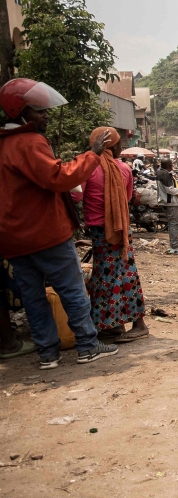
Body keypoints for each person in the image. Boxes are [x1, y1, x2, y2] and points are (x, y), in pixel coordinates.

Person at [0, 78, 119, 368]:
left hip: (13, 238)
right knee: (72, 289)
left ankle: (48, 354)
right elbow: (59, 178)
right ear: (21, 111)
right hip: (45, 232)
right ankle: (88, 346)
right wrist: (91, 154)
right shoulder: (29, 142)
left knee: (33, 297)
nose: (46, 115)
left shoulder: (4, 144)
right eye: (39, 110)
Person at [73, 127, 148, 342]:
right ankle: (121, 324)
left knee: (105, 278)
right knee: (124, 275)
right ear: (112, 145)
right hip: (122, 229)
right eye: (118, 144)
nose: (120, 148)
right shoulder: (124, 169)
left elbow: (76, 197)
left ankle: (121, 324)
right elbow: (125, 198)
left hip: (100, 231)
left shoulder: (87, 167)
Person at [156, 158, 178, 254]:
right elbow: (170, 190)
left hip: (165, 201)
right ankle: (175, 247)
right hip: (171, 202)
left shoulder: (160, 173)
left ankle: (173, 246)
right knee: (174, 224)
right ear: (169, 165)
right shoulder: (165, 174)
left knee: (172, 224)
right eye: (171, 164)